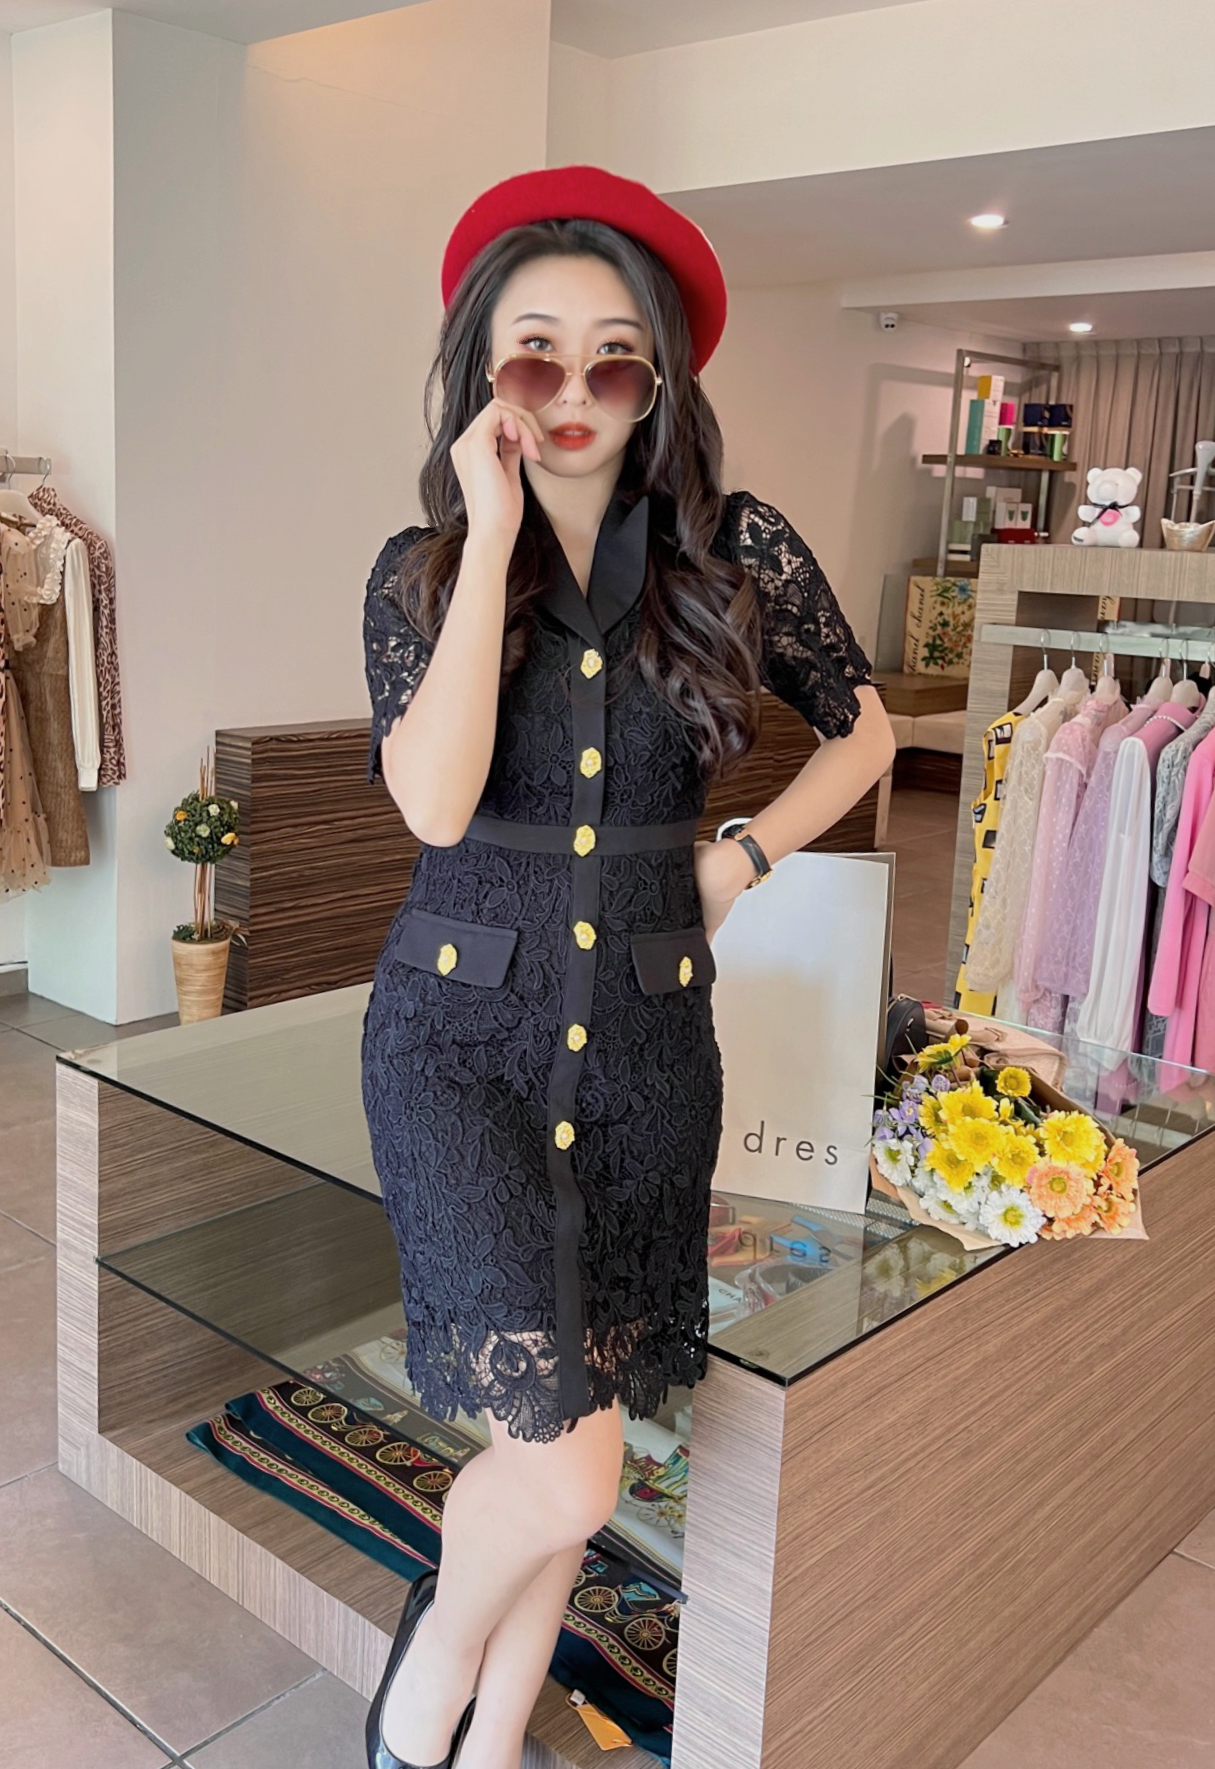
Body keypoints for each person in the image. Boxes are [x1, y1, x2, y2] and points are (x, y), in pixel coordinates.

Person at [359, 164, 895, 1769]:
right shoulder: (422, 568)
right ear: (484, 372)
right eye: (537, 355)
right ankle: (423, 1691)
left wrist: (739, 857)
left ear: (659, 383)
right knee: (567, 1466)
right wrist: (495, 535)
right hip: (458, 1045)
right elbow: (434, 802)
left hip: (653, 1056)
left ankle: (482, 1745)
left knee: (574, 1452)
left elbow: (868, 733)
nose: (576, 391)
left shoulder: (734, 551)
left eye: (616, 360)